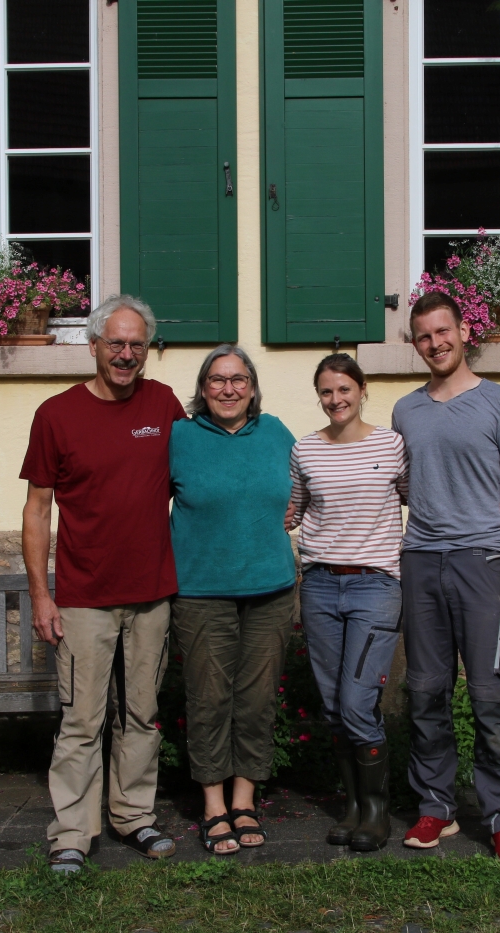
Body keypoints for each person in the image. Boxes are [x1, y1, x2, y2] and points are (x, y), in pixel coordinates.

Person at [19, 294, 186, 873]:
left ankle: (133, 816)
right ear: (92, 345)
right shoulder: (56, 414)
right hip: (84, 596)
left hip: (151, 593)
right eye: (115, 343)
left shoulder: (164, 404)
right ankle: (72, 830)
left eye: (136, 344)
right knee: (82, 719)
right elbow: (37, 510)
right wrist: (42, 593)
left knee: (141, 714)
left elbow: (199, 477)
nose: (125, 354)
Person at [392, 290, 500, 865]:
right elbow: (409, 486)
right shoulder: (405, 410)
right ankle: (436, 807)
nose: (436, 343)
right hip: (421, 561)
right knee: (427, 692)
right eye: (424, 336)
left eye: (443, 331)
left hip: (483, 563)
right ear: (415, 344)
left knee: (490, 695)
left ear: (463, 330)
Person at [168, 345, 297, 854]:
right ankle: (214, 806)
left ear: (252, 387)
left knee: (257, 701)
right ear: (203, 389)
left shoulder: (276, 433)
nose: (228, 389)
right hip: (201, 593)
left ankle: (245, 800)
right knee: (208, 699)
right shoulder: (179, 437)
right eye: (217, 380)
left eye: (238, 380)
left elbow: (317, 482)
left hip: (271, 590)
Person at [286, 353, 407, 851]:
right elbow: (295, 509)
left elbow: (419, 496)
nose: (336, 400)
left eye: (344, 390)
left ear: (361, 389)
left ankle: (378, 811)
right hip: (318, 584)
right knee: (336, 707)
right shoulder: (305, 450)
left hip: (375, 585)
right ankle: (354, 806)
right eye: (326, 392)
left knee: (358, 702)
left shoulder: (392, 443)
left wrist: (493, 503)